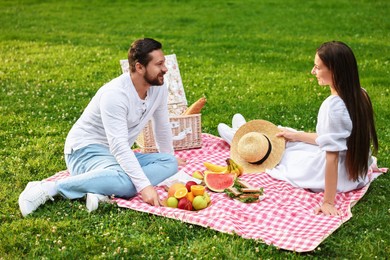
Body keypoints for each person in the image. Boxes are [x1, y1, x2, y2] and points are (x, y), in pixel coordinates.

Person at [19, 38, 186, 217]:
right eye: (159, 64)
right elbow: (119, 146)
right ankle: (50, 187)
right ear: (139, 67)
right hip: (84, 152)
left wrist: (169, 162)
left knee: (169, 162)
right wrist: (144, 186)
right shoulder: (115, 95)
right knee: (130, 185)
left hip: (113, 157)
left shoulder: (158, 87)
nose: (165, 69)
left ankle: (99, 188)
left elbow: (161, 127)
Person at [219, 41, 378, 216]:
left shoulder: (333, 106)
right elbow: (343, 137)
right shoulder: (361, 94)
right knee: (287, 134)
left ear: (334, 70)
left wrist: (328, 202)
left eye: (317, 67)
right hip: (354, 173)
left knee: (280, 154)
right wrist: (296, 136)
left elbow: (331, 157)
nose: (313, 71)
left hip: (336, 175)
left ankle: (239, 138)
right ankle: (246, 131)